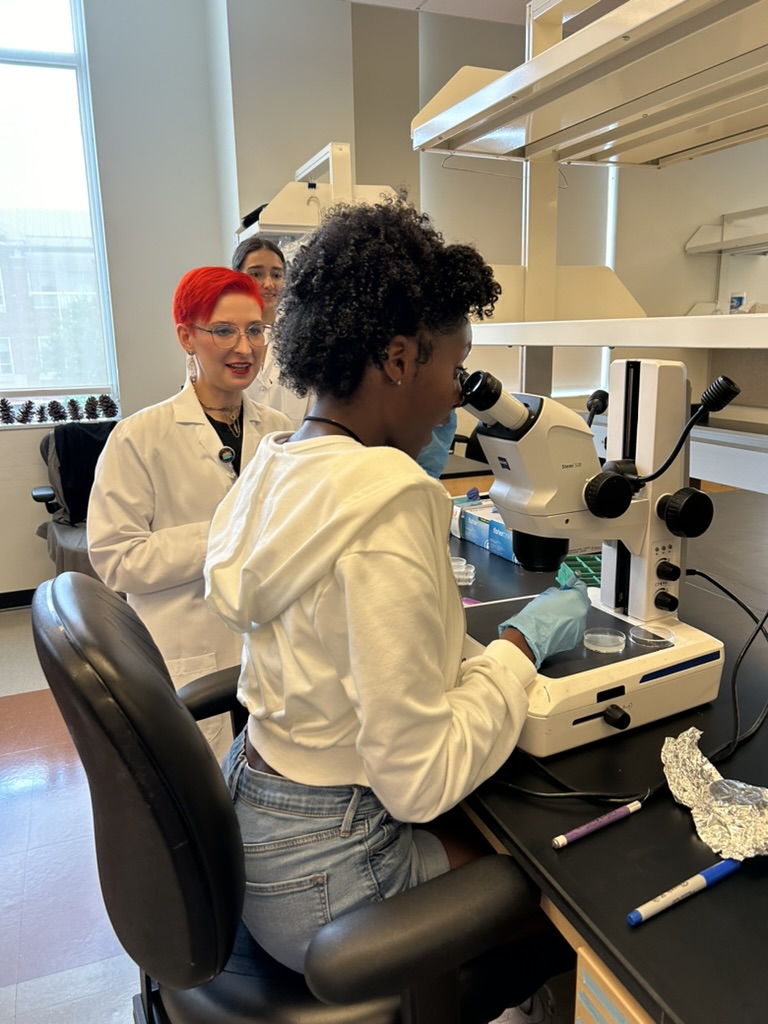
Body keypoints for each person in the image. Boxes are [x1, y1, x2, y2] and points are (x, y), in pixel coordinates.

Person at [204, 199, 587, 1011]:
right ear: (400, 357)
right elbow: (419, 782)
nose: (456, 400)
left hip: (254, 817)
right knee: (565, 893)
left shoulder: (276, 463)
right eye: (455, 368)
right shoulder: (390, 498)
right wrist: (518, 652)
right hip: (327, 876)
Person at [87, 267, 292, 759]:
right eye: (223, 331)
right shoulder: (139, 437)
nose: (244, 348)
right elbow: (117, 557)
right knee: (207, 800)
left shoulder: (281, 431)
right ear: (187, 337)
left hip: (275, 649)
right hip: (190, 655)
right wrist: (228, 531)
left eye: (255, 330)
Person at [233, 237, 311, 429]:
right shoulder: (221, 338)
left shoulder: (304, 338)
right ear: (237, 277)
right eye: (257, 274)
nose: (268, 284)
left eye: (276, 275)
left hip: (295, 451)